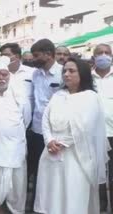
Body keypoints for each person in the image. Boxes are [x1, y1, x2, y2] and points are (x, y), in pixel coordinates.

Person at [34, 57, 108, 214]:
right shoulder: (58, 95)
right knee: (52, 195)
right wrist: (49, 140)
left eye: (71, 71)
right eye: (64, 71)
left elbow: (85, 128)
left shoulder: (90, 97)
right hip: (51, 154)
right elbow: (45, 120)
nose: (66, 74)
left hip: (77, 157)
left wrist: (60, 143)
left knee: (74, 196)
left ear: (82, 74)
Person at [0, 56, 31, 214]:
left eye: (4, 74)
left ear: (9, 76)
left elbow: (26, 118)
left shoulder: (19, 95)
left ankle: (16, 209)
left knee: (17, 179)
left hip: (16, 144)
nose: (1, 78)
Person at [28, 39, 63, 208]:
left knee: (54, 172)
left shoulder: (63, 74)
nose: (33, 60)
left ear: (48, 54)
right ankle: (37, 205)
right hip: (36, 130)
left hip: (55, 133)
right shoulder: (35, 74)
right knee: (36, 170)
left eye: (36, 56)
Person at [92, 43, 113, 211]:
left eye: (107, 52)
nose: (104, 55)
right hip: (93, 134)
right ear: (94, 57)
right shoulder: (86, 78)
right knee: (97, 174)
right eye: (100, 53)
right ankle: (100, 207)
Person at [0, 43, 34, 107]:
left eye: (6, 55)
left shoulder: (32, 72)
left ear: (17, 56)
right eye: (1, 56)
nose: (3, 58)